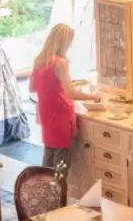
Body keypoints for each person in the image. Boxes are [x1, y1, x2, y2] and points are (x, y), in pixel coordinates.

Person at [29, 23, 98, 172]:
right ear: (64, 42)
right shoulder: (61, 63)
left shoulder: (39, 60)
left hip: (46, 114)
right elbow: (71, 93)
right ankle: (59, 187)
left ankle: (43, 185)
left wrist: (52, 86)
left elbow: (32, 88)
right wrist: (94, 97)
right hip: (62, 115)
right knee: (61, 163)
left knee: (48, 156)